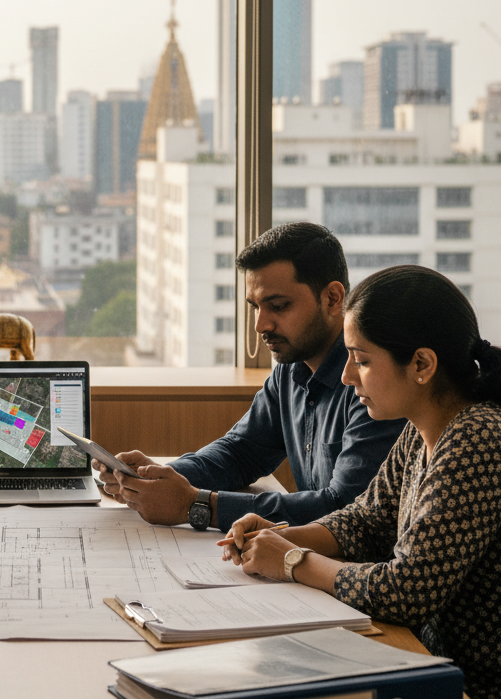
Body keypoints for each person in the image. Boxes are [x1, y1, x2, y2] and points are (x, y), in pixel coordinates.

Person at [224, 265, 501, 699]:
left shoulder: (478, 437)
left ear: (422, 365)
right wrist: (280, 537)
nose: (344, 375)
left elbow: (406, 591)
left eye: (360, 359)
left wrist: (294, 562)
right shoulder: (422, 427)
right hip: (433, 672)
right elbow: (366, 521)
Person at [95, 222, 405, 531]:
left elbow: (345, 508)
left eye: (278, 306)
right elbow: (240, 452)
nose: (260, 325)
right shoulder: (289, 370)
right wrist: (155, 478)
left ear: (333, 299)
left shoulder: (374, 383)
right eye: (255, 307)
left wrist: (196, 505)